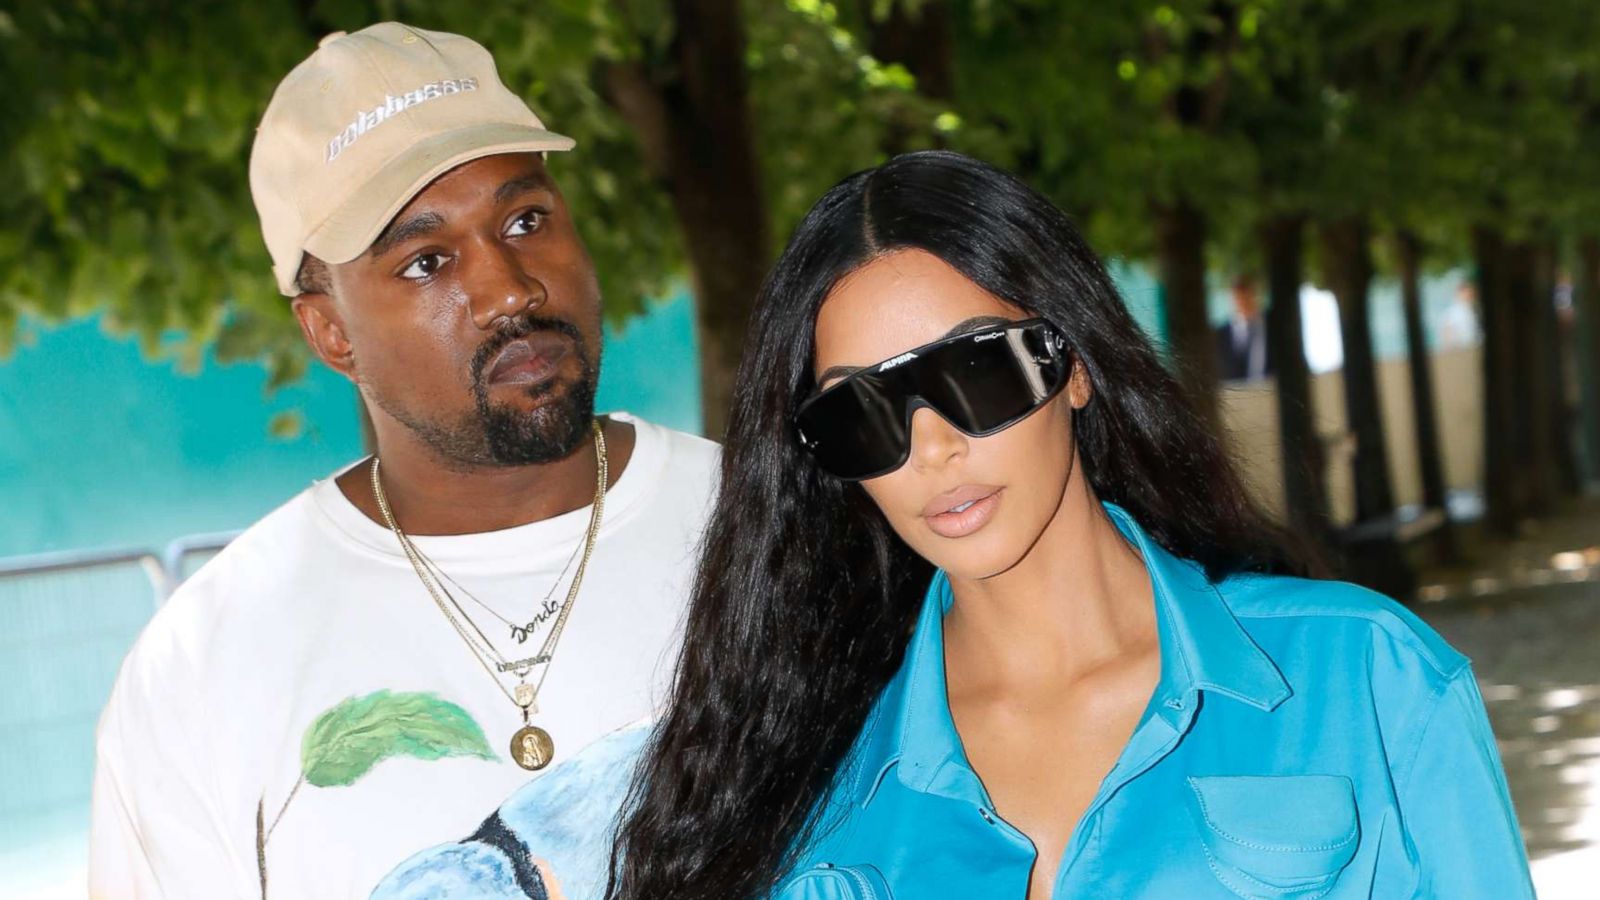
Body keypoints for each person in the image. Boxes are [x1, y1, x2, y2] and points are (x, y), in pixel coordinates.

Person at [601, 151, 1534, 898]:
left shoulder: (1365, 676)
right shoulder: (806, 785)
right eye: (861, 413)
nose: (931, 448)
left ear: (1073, 364)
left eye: (974, 373)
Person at [88, 23, 718, 900]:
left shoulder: (775, 522)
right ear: (330, 331)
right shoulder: (208, 664)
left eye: (526, 219)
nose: (511, 289)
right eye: (426, 262)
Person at [1214, 273, 1273, 382]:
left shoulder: (1274, 326)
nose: (1243, 302)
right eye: (1238, 297)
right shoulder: (1221, 334)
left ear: (1255, 294)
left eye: (1246, 295)